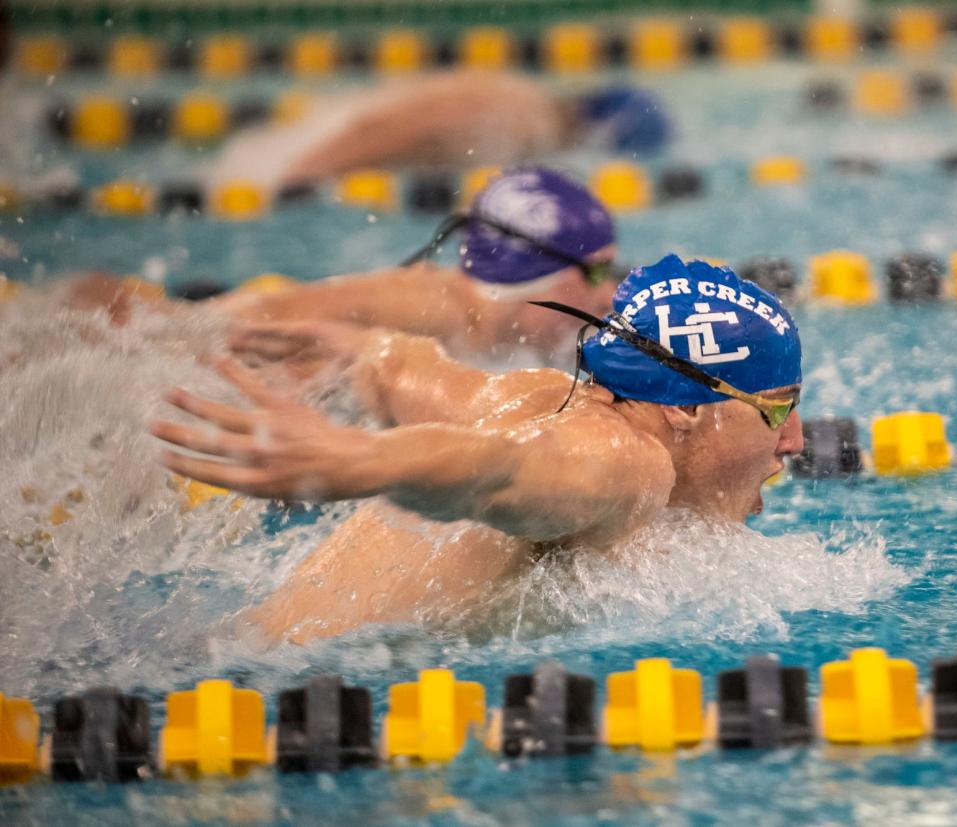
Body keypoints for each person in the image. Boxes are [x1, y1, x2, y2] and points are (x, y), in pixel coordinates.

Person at [150, 254, 805, 644]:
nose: (795, 441)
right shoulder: (626, 462)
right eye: (778, 409)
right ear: (687, 406)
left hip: (225, 648)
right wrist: (354, 460)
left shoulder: (538, 393)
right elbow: (507, 471)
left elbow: (411, 369)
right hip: (270, 692)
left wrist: (355, 351)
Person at [219, 166, 620, 364]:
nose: (607, 295)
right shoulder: (428, 315)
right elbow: (231, 332)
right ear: (532, 272)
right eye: (597, 272)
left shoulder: (493, 339)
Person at [208, 72, 669, 197]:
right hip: (274, 171)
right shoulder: (521, 120)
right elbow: (390, 126)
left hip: (276, 155)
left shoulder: (528, 102)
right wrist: (297, 179)